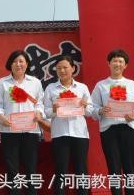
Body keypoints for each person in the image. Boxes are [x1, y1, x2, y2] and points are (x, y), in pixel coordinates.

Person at [91, 49, 134, 195]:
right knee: (113, 168)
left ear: (125, 65)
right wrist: (100, 110)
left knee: (130, 169)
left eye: (121, 61)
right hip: (109, 131)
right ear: (108, 64)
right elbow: (92, 107)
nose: (117, 64)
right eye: (114, 61)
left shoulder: (133, 85)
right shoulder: (101, 85)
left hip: (130, 129)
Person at [0, 50, 46, 195]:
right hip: (9, 131)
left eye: (21, 61)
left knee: (31, 169)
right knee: (12, 170)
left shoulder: (35, 82)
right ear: (10, 64)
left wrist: (38, 112)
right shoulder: (2, 83)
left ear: (27, 64)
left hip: (31, 131)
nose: (18, 64)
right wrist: (1, 116)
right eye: (15, 61)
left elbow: (40, 102)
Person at [43, 55, 93, 195]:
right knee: (61, 170)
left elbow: (90, 111)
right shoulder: (51, 88)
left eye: (65, 67)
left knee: (81, 170)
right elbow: (46, 112)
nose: (62, 71)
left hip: (80, 134)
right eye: (59, 68)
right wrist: (54, 110)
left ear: (73, 68)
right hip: (60, 134)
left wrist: (84, 106)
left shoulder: (82, 88)